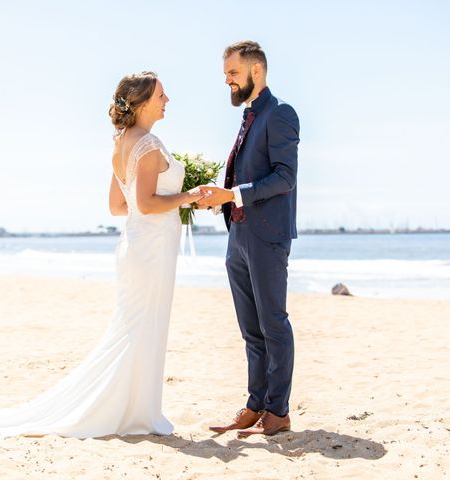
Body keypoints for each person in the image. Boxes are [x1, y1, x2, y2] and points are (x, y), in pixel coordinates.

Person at [0, 71, 205, 439]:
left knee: (135, 328)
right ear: (141, 103)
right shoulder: (148, 144)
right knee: (142, 328)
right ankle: (135, 413)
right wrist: (189, 196)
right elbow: (147, 203)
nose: (167, 100)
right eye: (162, 95)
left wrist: (164, 208)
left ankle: (135, 409)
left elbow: (117, 207)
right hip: (151, 251)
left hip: (137, 247)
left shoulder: (122, 144)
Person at [197, 41, 300, 437]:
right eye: (226, 74)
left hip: (268, 236)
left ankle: (278, 412)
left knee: (273, 324)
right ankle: (255, 404)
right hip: (237, 235)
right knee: (250, 329)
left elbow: (284, 177)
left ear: (256, 71)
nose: (227, 81)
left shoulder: (281, 114)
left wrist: (234, 194)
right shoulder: (248, 116)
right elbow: (243, 175)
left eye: (232, 73)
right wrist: (218, 197)